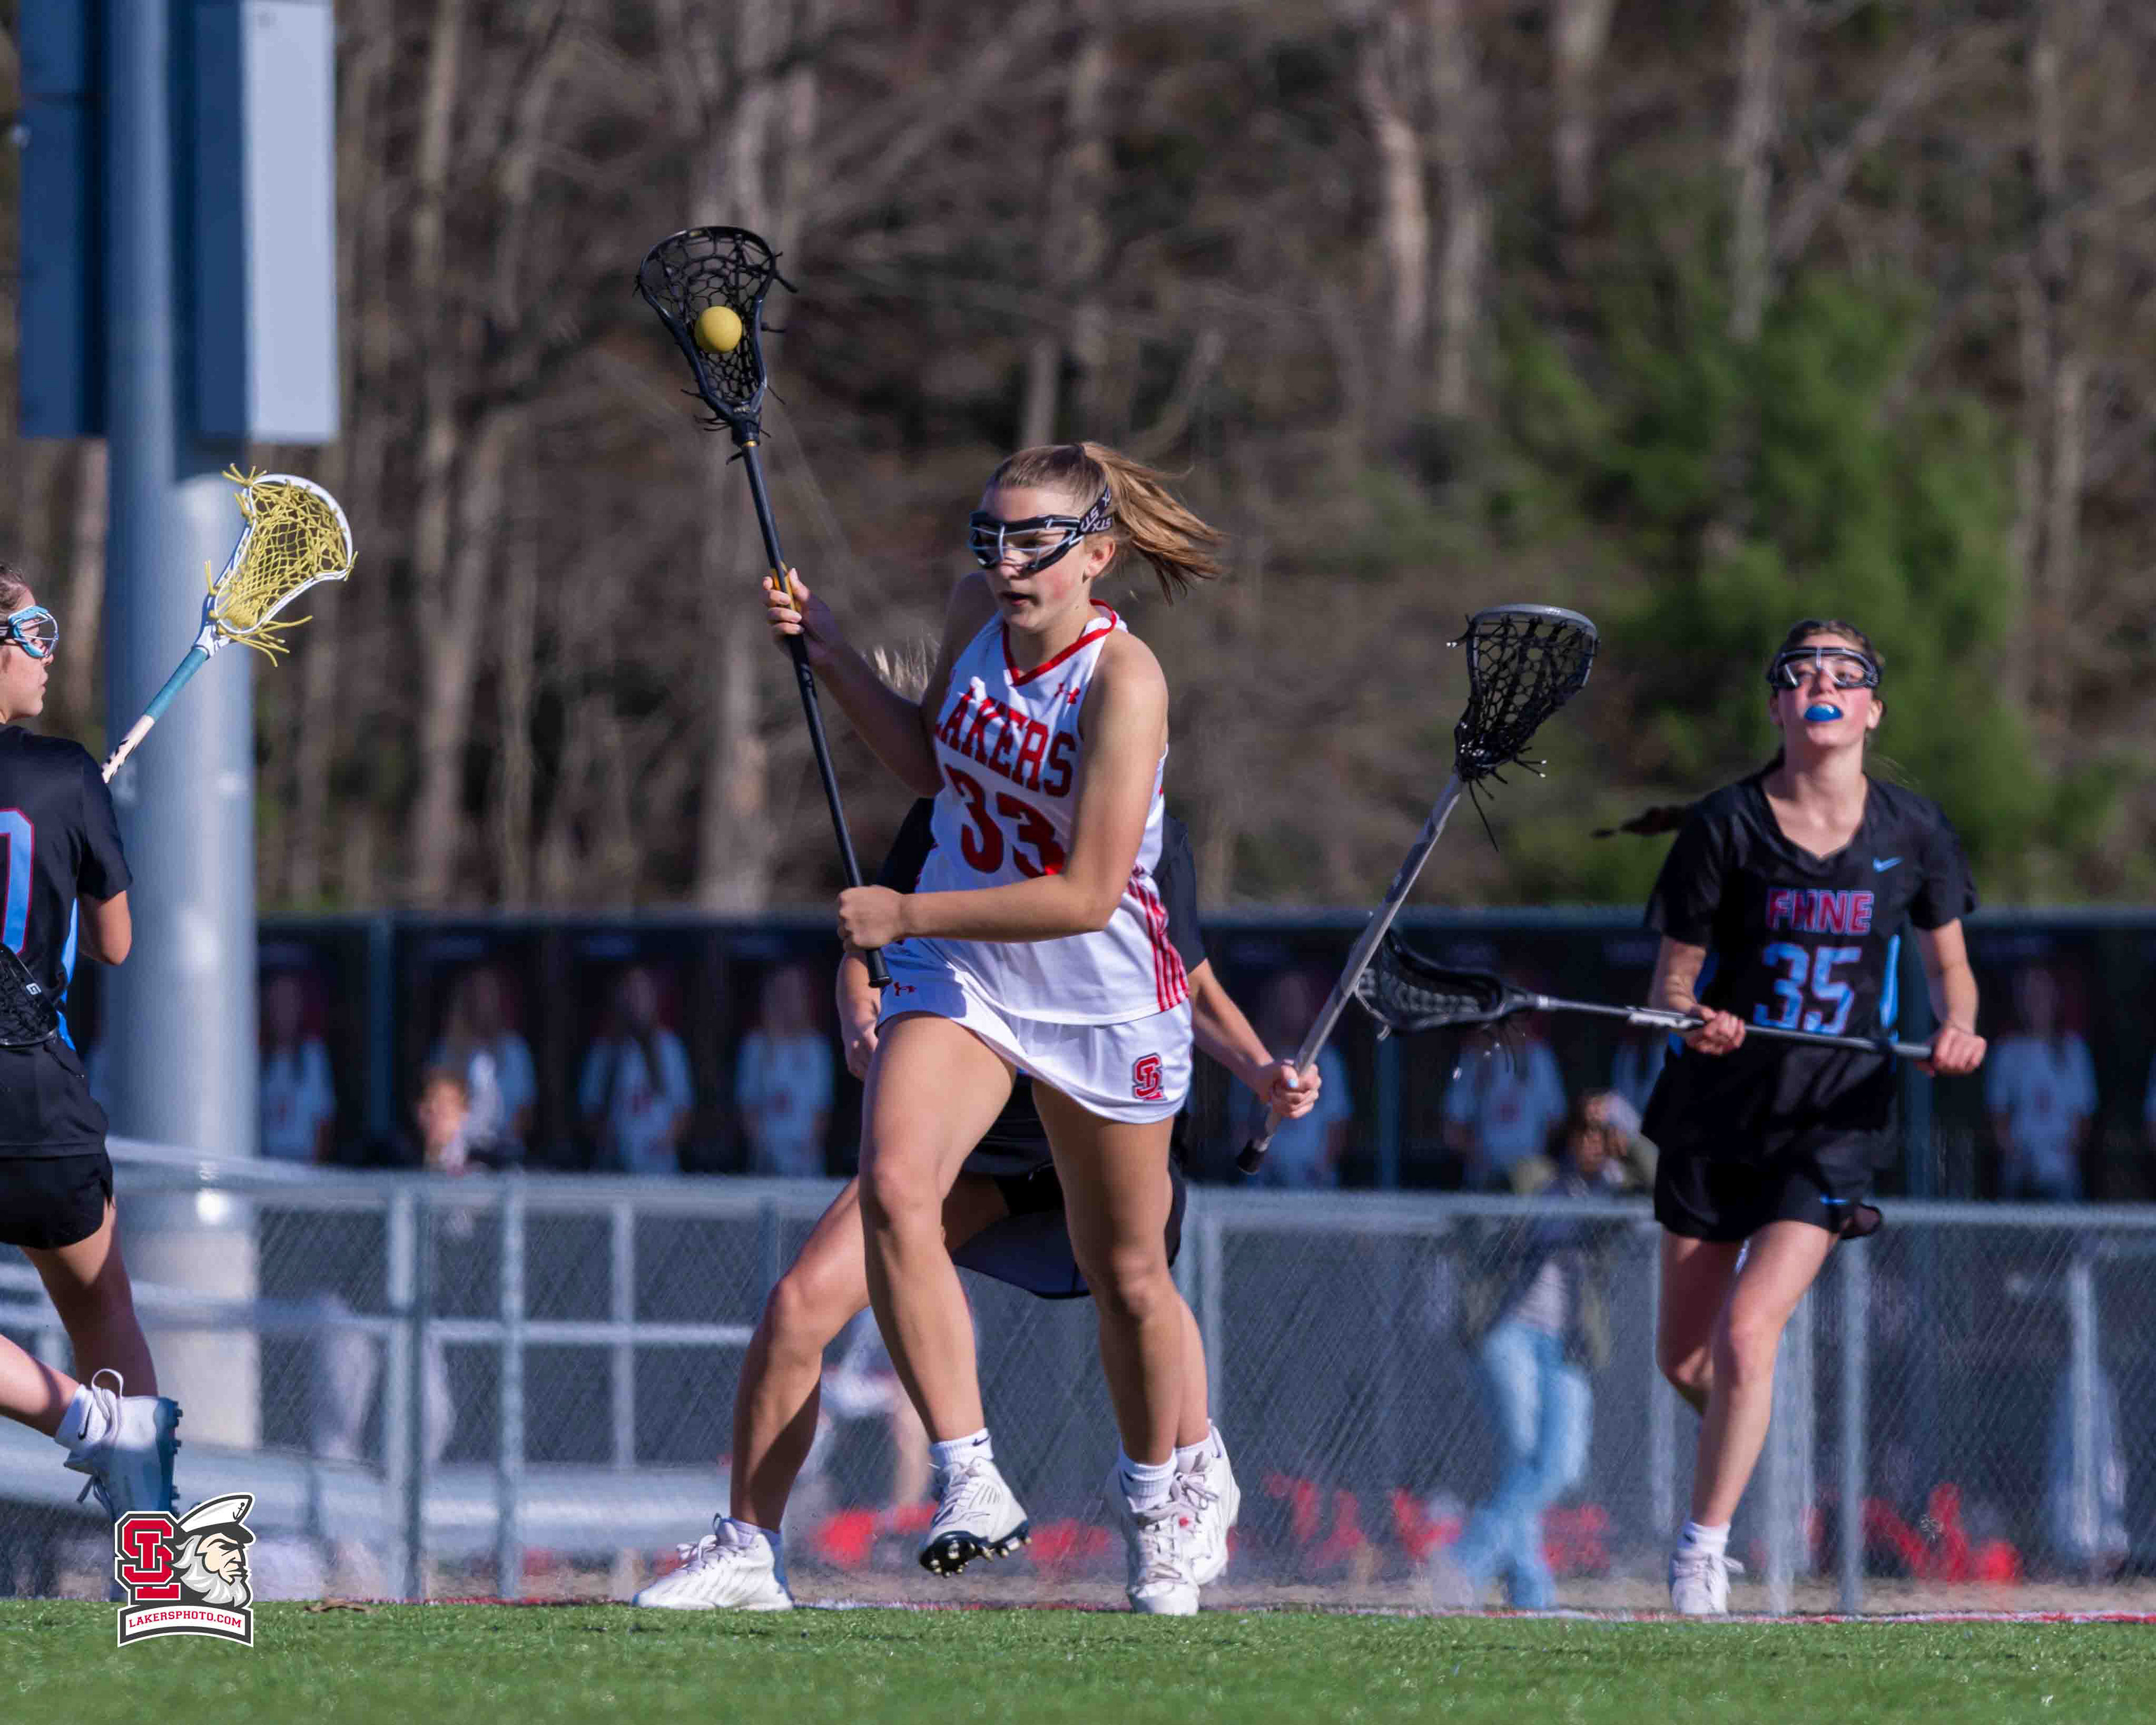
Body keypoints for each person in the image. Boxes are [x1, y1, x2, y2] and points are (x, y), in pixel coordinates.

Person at [753, 441, 1281, 1613]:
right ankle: (970, 1475)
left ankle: (1163, 1494)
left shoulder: (1124, 681)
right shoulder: (971, 618)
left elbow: (1089, 895)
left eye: (1035, 541)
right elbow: (928, 765)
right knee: (897, 1188)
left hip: (1102, 995)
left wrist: (904, 911)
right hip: (972, 976)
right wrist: (832, 655)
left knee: (1129, 1275)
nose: (1006, 563)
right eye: (991, 538)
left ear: (1097, 554)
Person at [634, 797, 1318, 1612]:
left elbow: (1188, 979)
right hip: (977, 1137)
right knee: (800, 1304)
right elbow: (868, 941)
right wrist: (860, 1015)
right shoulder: (951, 805)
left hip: (1099, 1117)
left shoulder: (1139, 821)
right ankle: (751, 1547)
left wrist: (1260, 1068)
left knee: (1136, 1286)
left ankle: (1190, 1475)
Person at [1636, 619, 1986, 1614]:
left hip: (1833, 1119)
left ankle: (1701, 1556)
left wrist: (1959, 1028)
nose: (1821, 682)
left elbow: (1951, 971)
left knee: (1750, 1335)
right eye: (1800, 671)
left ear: (1873, 707)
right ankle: (1745, 1434)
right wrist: (1696, 1017)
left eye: (1845, 671)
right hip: (1716, 1113)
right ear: (1777, 706)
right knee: (1688, 1359)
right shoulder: (1724, 826)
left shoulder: (1913, 832)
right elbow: (1671, 984)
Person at [0, 569, 181, 1521]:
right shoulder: (67, 774)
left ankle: (83, 1421)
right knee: (105, 1311)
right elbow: (115, 943)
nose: (51, 651)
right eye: (35, 630)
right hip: (39, 1094)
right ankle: (153, 1545)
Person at [1431, 1092, 1653, 1609]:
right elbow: (1480, 1216)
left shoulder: (1613, 1194)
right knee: (1523, 1455)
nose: (1593, 1143)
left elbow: (1659, 1184)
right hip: (1509, 1328)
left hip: (1569, 1343)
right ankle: (1531, 1592)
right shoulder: (1534, 1174)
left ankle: (1465, 1560)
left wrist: (1628, 1139)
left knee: (1561, 1465)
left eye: (1602, 1136)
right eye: (1585, 1132)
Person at [1984, 967, 2096, 1202]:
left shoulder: (2074, 1050)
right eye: (2030, 993)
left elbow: (2084, 1114)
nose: (2037, 1001)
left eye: (2043, 992)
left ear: (2055, 997)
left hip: (2063, 1174)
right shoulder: (2007, 1051)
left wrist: (2062, 1157)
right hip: (2019, 1173)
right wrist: (2017, 1156)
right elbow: (1998, 1114)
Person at [579, 965, 694, 1175]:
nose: (636, 1001)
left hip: (660, 1170)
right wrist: (610, 1141)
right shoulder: (604, 1050)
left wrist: (664, 1142)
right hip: (614, 1169)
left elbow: (684, 1111)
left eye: (642, 992)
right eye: (630, 992)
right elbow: (590, 1112)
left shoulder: (670, 1047)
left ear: (653, 998)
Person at [1245, 969, 1353, 1188]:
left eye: (1296, 1000)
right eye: (1283, 1000)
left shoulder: (1328, 1061)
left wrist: (1320, 1169)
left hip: (1314, 1184)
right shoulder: (1255, 1059)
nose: (1289, 1009)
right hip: (1265, 1185)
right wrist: (1255, 1169)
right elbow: (1241, 1121)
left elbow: (1338, 1121)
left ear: (1308, 1006)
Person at [1442, 1012, 1569, 1190]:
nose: (1512, 1026)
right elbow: (1452, 1129)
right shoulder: (1473, 1057)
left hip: (1529, 1175)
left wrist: (1532, 1156)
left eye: (1518, 1018)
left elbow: (1556, 1118)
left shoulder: (1540, 1057)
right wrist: (1480, 1156)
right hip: (1485, 1175)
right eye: (1504, 1018)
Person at [732, 962, 835, 1177]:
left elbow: (822, 1109)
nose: (789, 1001)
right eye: (784, 993)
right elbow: (747, 1106)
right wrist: (764, 1150)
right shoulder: (755, 1046)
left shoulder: (816, 1047)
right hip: (766, 1159)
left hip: (805, 1160)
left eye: (795, 993)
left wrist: (804, 1155)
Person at [428, 965, 535, 1165]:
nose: (485, 1002)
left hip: (506, 1156)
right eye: (479, 993)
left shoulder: (515, 1050)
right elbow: (436, 1110)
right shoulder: (447, 1050)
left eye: (491, 994)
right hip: (457, 1158)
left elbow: (526, 1111)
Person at [259, 969, 336, 1163]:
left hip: (303, 1165)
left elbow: (324, 1119)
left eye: (289, 1002)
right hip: (264, 1165)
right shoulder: (257, 1060)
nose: (283, 1011)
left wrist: (314, 1170)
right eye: (277, 1003)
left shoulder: (313, 1056)